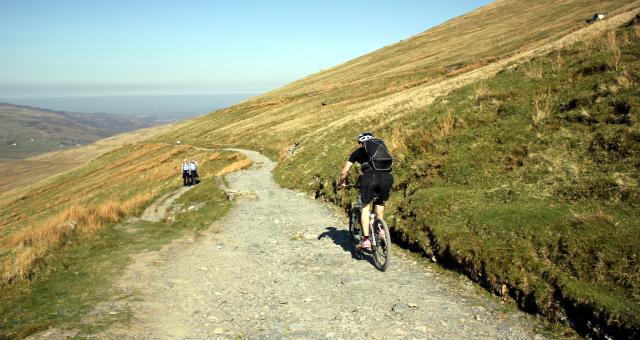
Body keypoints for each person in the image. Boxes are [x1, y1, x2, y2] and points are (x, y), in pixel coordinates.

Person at [338, 132, 394, 250]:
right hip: (387, 178)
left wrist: (341, 183)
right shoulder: (380, 150)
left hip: (369, 178)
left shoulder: (358, 152)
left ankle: (366, 239)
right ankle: (382, 232)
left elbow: (344, 172)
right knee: (379, 205)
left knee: (365, 207)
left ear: (360, 143)